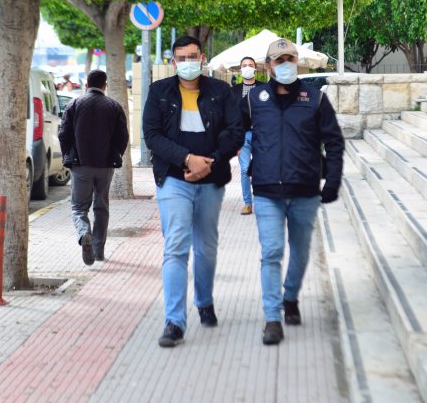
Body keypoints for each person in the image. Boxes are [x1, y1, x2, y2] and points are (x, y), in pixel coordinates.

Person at [143, 35, 244, 348]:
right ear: (174, 62)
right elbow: (152, 136)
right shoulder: (159, 92)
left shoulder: (221, 91)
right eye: (181, 58)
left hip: (211, 179)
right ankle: (174, 321)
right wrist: (187, 159)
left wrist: (208, 162)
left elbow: (235, 131)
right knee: (176, 245)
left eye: (193, 56)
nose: (188, 63)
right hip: (173, 179)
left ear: (203, 58)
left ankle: (204, 301)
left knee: (207, 246)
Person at [243, 38, 344, 345]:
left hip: (305, 189)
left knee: (300, 251)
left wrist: (333, 181)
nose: (285, 64)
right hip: (266, 190)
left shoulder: (314, 98)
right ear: (268, 65)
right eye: (279, 59)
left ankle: (290, 298)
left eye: (290, 59)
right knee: (272, 252)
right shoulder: (254, 99)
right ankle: (273, 318)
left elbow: (335, 142)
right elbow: (234, 134)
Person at [58, 69, 129, 266]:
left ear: (87, 85)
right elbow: (123, 136)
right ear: (105, 85)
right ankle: (98, 251)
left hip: (81, 165)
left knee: (79, 207)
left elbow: (63, 134)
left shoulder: (75, 104)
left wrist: (69, 156)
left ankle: (84, 234)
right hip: (105, 166)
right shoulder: (114, 106)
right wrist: (115, 155)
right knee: (101, 207)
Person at [230, 56, 265, 215]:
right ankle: (247, 203)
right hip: (242, 136)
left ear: (256, 69)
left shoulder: (265, 89)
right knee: (244, 169)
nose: (247, 68)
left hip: (261, 135)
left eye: (250, 65)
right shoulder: (233, 91)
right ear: (240, 69)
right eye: (244, 65)